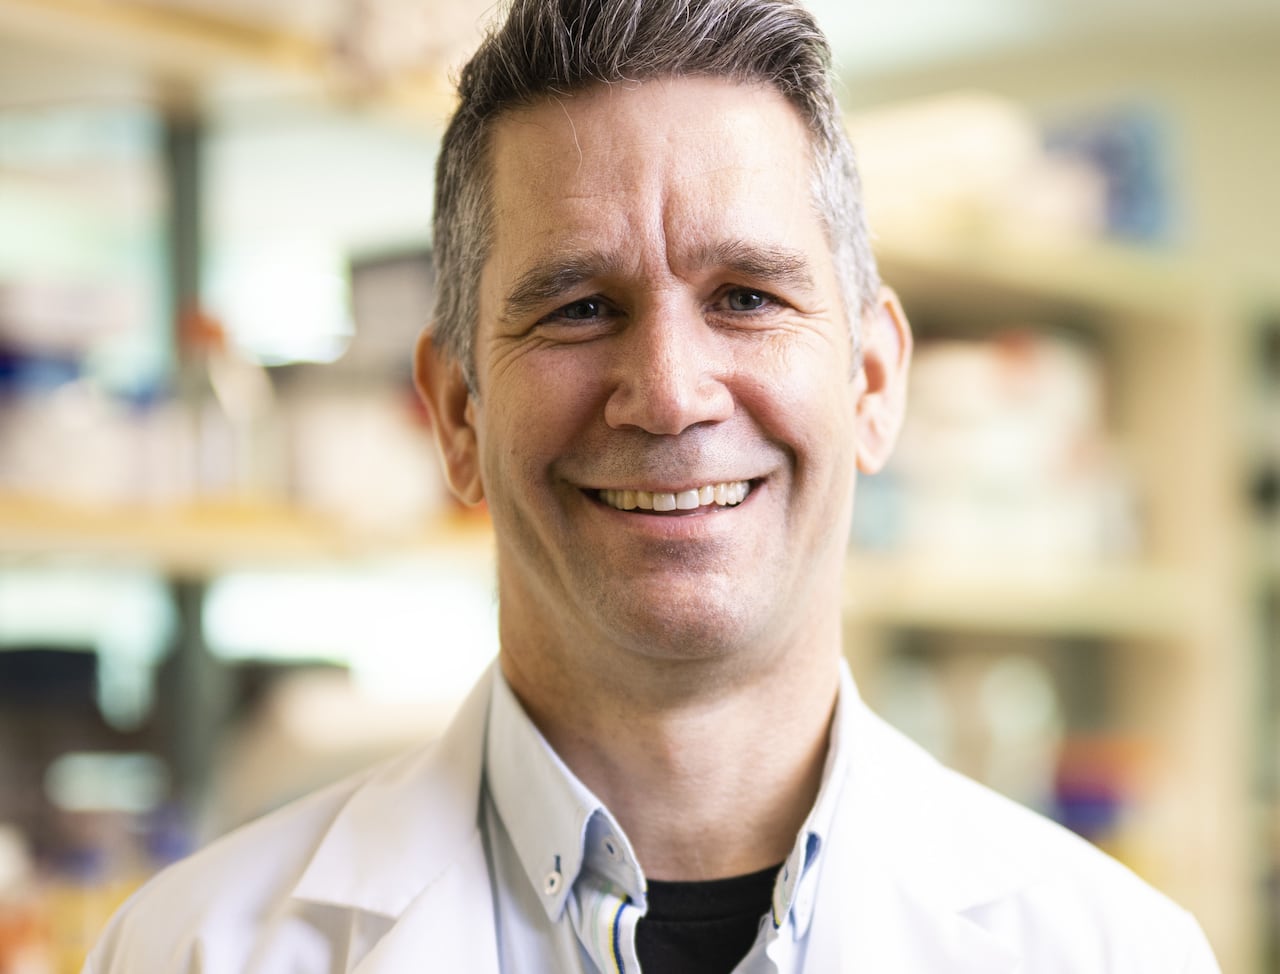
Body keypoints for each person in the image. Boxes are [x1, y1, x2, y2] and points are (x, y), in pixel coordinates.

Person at [86, 0, 1222, 971]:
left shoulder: (1111, 949)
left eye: (745, 296)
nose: (670, 393)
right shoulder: (194, 948)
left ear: (871, 381)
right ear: (456, 411)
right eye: (578, 306)